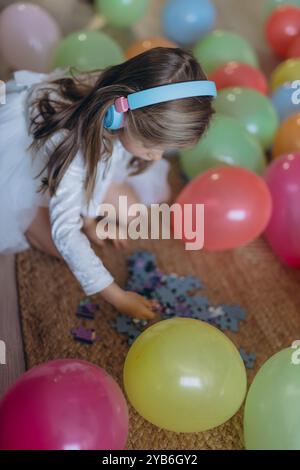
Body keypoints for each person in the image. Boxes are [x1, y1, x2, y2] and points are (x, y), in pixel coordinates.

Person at [0, 47, 215, 319]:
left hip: (92, 151)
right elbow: (66, 232)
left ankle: (86, 211)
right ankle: (30, 217)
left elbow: (105, 169)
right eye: (151, 146)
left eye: (165, 150)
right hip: (28, 157)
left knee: (135, 212)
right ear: (121, 118)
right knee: (63, 249)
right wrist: (118, 297)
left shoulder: (122, 116)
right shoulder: (71, 147)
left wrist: (90, 221)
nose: (157, 157)